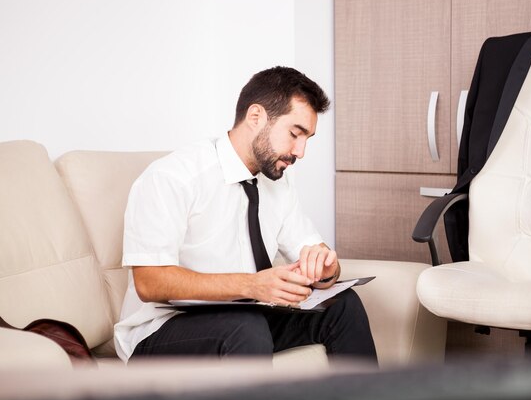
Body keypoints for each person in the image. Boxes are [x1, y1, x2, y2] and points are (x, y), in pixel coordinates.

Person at [114, 66, 377, 365]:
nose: (300, 151)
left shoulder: (278, 183)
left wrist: (326, 266)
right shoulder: (173, 177)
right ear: (256, 117)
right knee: (245, 328)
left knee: (342, 305)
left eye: (307, 139)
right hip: (161, 329)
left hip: (244, 316)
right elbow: (150, 282)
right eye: (295, 134)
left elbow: (312, 249)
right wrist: (252, 285)